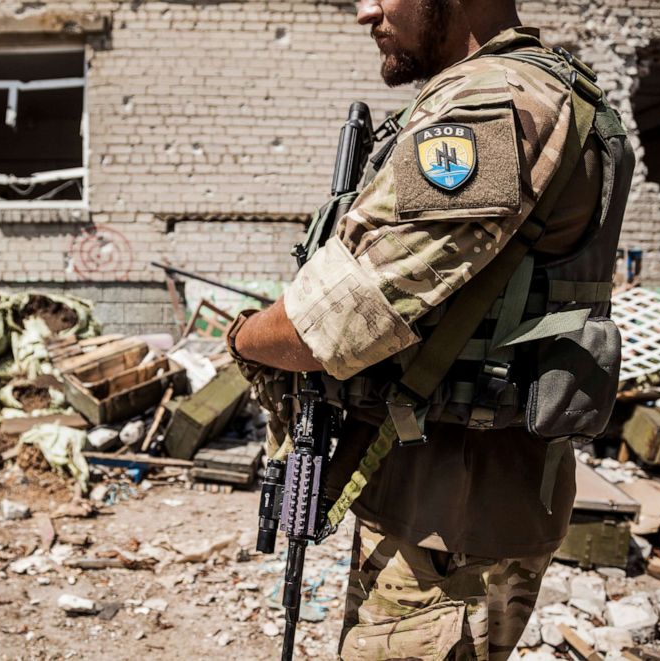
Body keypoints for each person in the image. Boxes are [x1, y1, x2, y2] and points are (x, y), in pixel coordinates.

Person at [225, 0, 633, 658]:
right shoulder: (527, 90)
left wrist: (243, 338)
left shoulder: (494, 107)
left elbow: (330, 323)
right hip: (449, 504)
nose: (365, 11)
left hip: (451, 526)